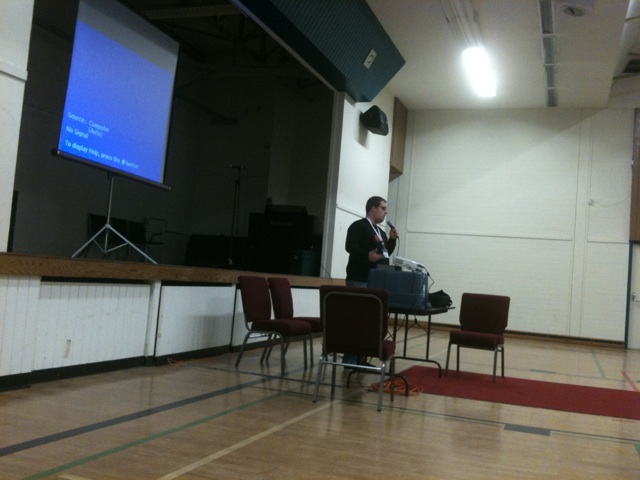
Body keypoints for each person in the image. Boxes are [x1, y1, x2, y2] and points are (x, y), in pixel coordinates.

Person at [343, 196, 398, 367]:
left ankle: (362, 359)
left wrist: (392, 240)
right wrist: (367, 255)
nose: (385, 212)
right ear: (373, 208)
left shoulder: (380, 232)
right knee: (357, 320)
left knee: (369, 322)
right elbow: (349, 246)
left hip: (375, 280)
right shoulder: (358, 226)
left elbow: (384, 253)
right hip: (359, 278)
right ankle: (350, 359)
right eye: (383, 208)